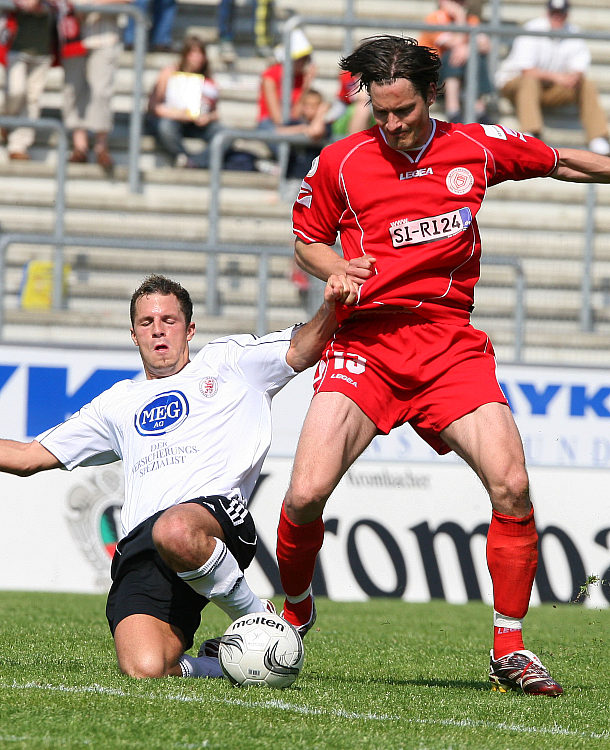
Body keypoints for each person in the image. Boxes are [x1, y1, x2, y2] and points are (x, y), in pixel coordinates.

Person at [275, 34, 610, 697]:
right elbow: (308, 239)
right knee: (305, 494)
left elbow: (559, 162)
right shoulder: (340, 162)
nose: (393, 125)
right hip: (364, 344)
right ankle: (294, 611)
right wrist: (337, 269)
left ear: (432, 94)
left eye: (404, 111)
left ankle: (509, 649)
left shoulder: (475, 146)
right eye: (381, 113)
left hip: (447, 343)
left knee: (511, 485)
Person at [0, 272, 351, 678]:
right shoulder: (116, 403)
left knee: (176, 530)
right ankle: (220, 663)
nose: (158, 331)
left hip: (215, 519)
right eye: (147, 323)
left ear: (190, 329)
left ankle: (262, 621)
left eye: (169, 320)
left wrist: (330, 306)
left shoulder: (228, 362)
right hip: (144, 545)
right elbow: (28, 457)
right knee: (146, 668)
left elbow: (301, 349)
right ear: (134, 335)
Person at [496, 0, 610, 155]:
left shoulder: (573, 32)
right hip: (514, 84)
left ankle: (598, 136)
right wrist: (559, 78)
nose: (557, 17)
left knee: (585, 84)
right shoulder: (533, 28)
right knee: (529, 82)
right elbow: (526, 70)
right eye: (554, 13)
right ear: (547, 12)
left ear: (566, 14)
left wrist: (573, 77)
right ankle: (530, 133)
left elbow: (579, 67)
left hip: (547, 88)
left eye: (561, 14)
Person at [59, 0, 128, 172]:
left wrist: (92, 4)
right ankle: (79, 145)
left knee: (101, 92)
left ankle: (101, 146)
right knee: (73, 90)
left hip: (104, 38)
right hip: (72, 37)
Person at [147, 35, 221, 168]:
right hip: (172, 119)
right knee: (165, 127)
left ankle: (197, 162)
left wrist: (207, 117)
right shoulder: (169, 73)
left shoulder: (208, 80)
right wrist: (179, 115)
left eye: (200, 54)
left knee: (222, 133)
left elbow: (216, 112)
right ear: (185, 54)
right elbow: (153, 106)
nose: (197, 58)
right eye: (193, 53)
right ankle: (183, 157)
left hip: (195, 124)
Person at [419, 0, 492, 123]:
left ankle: (477, 107)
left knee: (474, 56)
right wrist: (460, 18)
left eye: (462, 2)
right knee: (453, 54)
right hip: (433, 75)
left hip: (461, 74)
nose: (459, 5)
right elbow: (455, 43)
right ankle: (453, 108)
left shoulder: (471, 20)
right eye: (455, 1)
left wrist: (469, 48)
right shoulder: (435, 18)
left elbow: (486, 45)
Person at [0, 0, 56, 160]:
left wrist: (43, 5)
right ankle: (6, 120)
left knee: (33, 98)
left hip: (43, 49)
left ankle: (18, 145)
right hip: (15, 46)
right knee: (16, 90)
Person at [256, 27, 315, 157]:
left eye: (306, 59)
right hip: (270, 124)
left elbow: (296, 114)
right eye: (301, 59)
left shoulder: (302, 78)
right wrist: (299, 129)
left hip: (291, 125)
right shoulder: (270, 75)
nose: (304, 63)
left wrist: (306, 87)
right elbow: (279, 119)